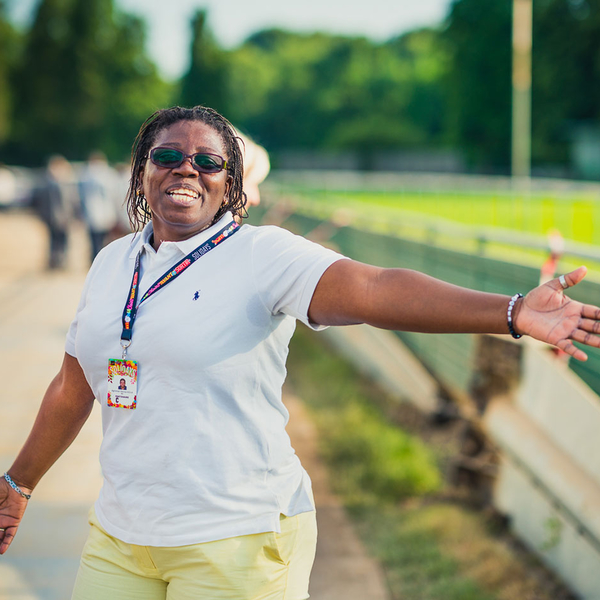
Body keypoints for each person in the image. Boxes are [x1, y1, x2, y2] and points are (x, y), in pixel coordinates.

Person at [1, 105, 599, 600]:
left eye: (208, 161)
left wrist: (512, 311)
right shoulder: (113, 262)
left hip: (237, 540)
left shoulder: (263, 255)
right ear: (142, 172)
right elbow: (73, 387)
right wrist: (18, 483)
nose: (187, 168)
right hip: (122, 536)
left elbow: (373, 289)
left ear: (232, 185)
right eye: (167, 155)